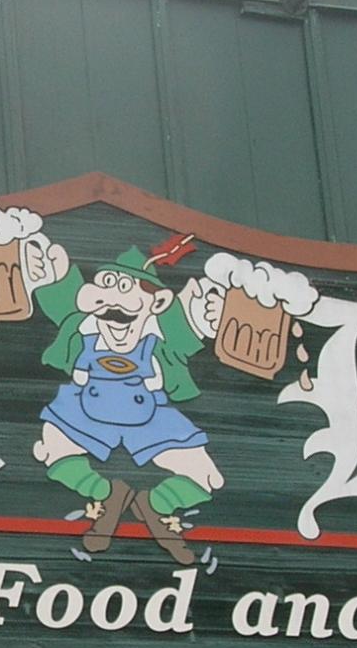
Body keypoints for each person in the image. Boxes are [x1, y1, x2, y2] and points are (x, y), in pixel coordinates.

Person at [24, 236, 226, 563]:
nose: (114, 305)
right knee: (52, 451)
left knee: (207, 477)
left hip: (149, 415)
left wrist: (205, 313)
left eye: (126, 289)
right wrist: (54, 277)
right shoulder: (83, 329)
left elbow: (185, 329)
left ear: (156, 303)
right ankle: (107, 496)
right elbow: (63, 303)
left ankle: (154, 506)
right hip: (86, 408)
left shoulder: (160, 337)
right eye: (107, 286)